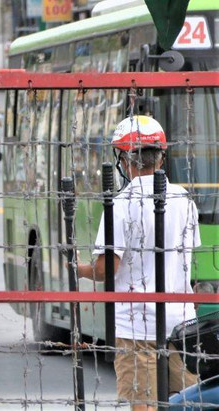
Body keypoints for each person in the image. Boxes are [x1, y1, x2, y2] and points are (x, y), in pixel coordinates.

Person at [78, 116, 200, 410]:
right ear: (161, 157)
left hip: (136, 328)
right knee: (189, 404)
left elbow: (106, 270)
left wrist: (77, 267)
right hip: (181, 323)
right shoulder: (184, 200)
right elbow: (187, 261)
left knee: (143, 404)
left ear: (124, 159)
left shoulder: (121, 204)